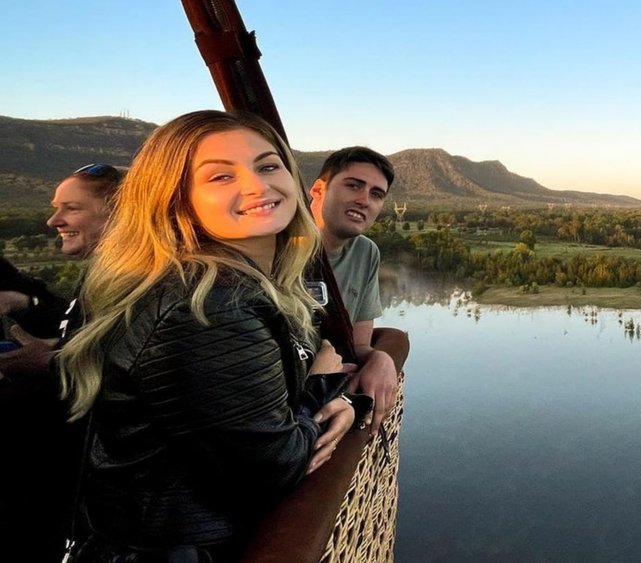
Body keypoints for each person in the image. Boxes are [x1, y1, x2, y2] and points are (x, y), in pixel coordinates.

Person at [59, 110, 356, 562]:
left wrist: (343, 394)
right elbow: (274, 468)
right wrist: (322, 386)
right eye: (221, 176)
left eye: (268, 165)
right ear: (175, 198)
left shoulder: (237, 285)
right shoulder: (207, 307)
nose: (257, 186)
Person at [0, 163, 123, 563]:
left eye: (71, 208)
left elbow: (131, 364)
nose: (53, 221)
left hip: (80, 485)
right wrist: (52, 343)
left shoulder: (134, 280)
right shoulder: (105, 274)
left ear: (121, 212)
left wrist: (51, 361)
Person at [309, 147, 399, 429]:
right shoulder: (278, 248)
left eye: (376, 194)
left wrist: (380, 357)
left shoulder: (365, 252)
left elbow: (358, 345)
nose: (364, 200)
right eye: (353, 185)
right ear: (318, 190)